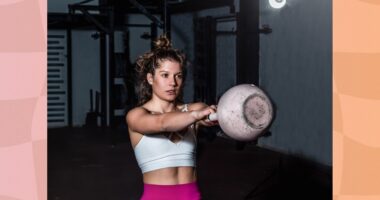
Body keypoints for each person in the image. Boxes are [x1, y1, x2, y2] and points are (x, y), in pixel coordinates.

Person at [126, 35, 218, 200]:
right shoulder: (136, 115)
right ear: (150, 78)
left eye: (178, 76)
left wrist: (218, 115)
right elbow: (162, 123)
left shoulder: (194, 109)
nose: (173, 83)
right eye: (165, 75)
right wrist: (196, 116)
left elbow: (206, 114)